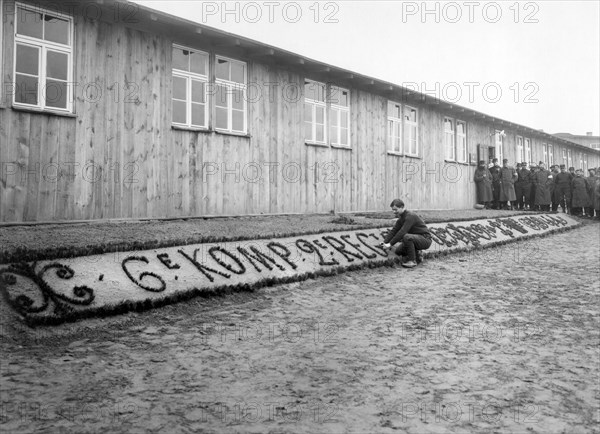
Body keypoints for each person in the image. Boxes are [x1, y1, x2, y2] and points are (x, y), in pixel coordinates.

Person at [382, 199, 432, 268]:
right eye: (392, 210)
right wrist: (385, 242)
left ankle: (412, 261)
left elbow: (402, 232)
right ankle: (418, 254)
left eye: (395, 209)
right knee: (398, 251)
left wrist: (390, 244)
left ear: (402, 207)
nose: (394, 212)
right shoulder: (401, 219)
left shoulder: (410, 216)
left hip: (425, 239)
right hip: (416, 238)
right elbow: (394, 231)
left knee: (406, 237)